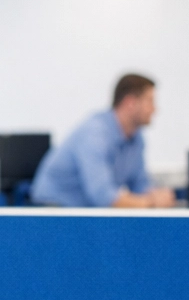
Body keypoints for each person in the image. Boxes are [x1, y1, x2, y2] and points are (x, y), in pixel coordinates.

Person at [31, 73, 176, 208]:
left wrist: (157, 195)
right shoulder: (95, 134)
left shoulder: (136, 139)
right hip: (53, 211)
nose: (154, 109)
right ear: (130, 103)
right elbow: (104, 197)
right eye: (149, 101)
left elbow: (140, 184)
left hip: (84, 213)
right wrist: (150, 202)